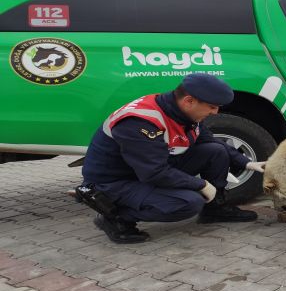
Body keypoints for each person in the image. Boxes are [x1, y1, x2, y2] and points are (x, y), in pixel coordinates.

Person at [77, 73, 265, 244]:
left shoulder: (181, 112)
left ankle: (215, 210)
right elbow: (154, 173)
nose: (215, 112)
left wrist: (247, 163)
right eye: (212, 107)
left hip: (146, 169)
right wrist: (201, 185)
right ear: (189, 101)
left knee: (215, 151)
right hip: (116, 182)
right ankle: (116, 217)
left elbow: (209, 141)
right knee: (188, 202)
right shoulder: (140, 122)